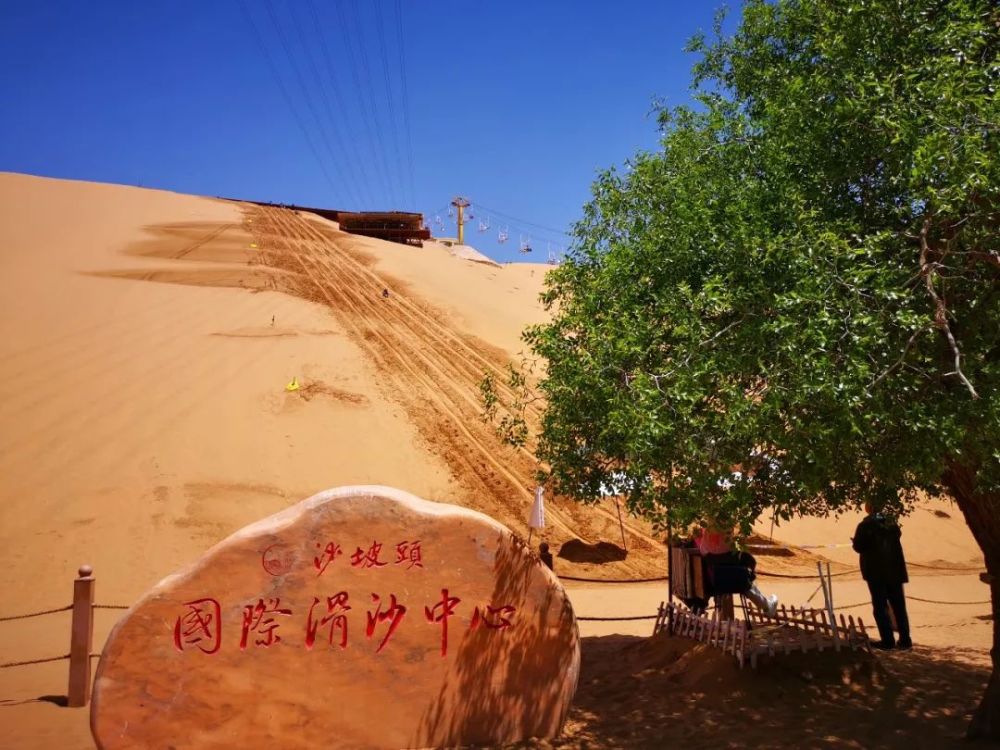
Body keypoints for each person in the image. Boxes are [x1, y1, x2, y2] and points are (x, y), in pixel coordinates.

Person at [852, 502, 912, 650]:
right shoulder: (892, 523)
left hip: (876, 572)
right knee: (899, 606)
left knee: (880, 607)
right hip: (895, 571)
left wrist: (855, 543)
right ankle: (905, 640)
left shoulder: (865, 525)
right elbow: (897, 535)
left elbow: (859, 546)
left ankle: (887, 640)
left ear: (869, 508)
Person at [694, 525, 779, 616]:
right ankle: (765, 606)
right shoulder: (720, 539)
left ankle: (765, 604)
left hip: (706, 579)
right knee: (744, 577)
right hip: (719, 580)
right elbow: (726, 550)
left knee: (744, 571)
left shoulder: (702, 540)